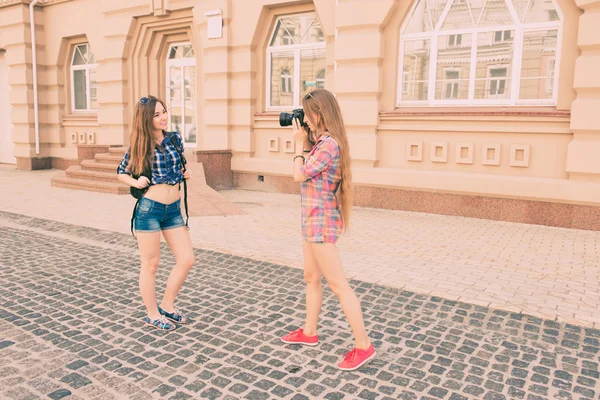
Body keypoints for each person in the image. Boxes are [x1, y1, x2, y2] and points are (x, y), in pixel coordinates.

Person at [280, 89, 375, 370]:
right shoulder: (321, 143)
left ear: (319, 114)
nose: (305, 121)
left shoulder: (329, 145)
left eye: (307, 115)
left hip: (321, 221)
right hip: (311, 219)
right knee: (311, 277)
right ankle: (309, 333)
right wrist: (306, 143)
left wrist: (298, 147)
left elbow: (299, 175)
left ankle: (364, 345)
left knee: (338, 284)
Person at [117, 95, 194, 331]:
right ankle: (152, 313)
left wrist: (185, 172)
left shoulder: (174, 139)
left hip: (173, 210)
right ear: (146, 119)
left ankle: (167, 305)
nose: (163, 117)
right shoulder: (140, 144)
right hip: (149, 210)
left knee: (187, 259)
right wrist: (136, 180)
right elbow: (120, 172)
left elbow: (180, 165)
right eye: (156, 114)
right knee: (151, 264)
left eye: (164, 112)